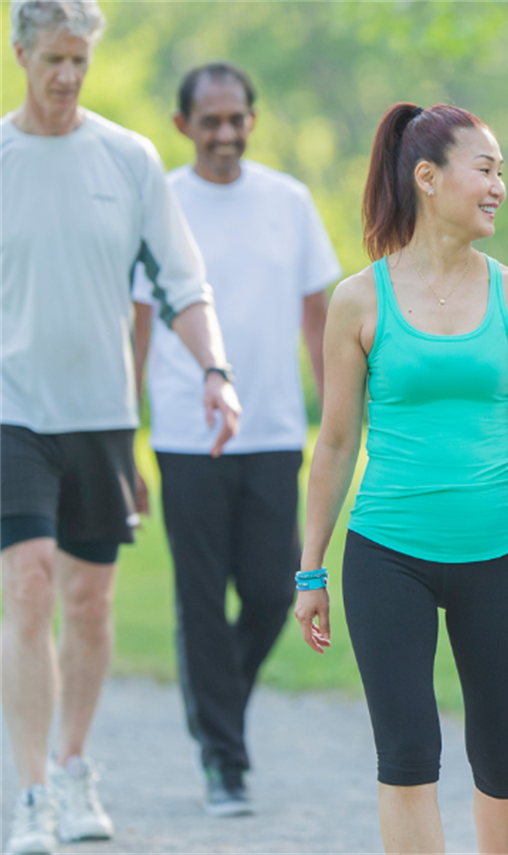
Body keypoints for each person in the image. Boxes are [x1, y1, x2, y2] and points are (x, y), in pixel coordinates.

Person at [293, 102, 508, 855]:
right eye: (484, 169)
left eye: (501, 173)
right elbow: (333, 443)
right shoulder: (359, 298)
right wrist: (309, 567)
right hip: (388, 551)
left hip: (500, 551)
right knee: (408, 754)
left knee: (504, 760)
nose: (498, 187)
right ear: (427, 177)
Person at [0, 2, 241, 854]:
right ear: (21, 52)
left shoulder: (129, 158)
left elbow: (183, 282)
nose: (67, 76)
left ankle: (71, 765)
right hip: (12, 411)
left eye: (80, 60)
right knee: (28, 584)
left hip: (101, 413)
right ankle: (29, 793)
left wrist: (214, 370)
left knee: (89, 603)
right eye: (54, 58)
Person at [131, 62, 341, 816]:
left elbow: (320, 316)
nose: (225, 133)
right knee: (199, 598)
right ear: (183, 125)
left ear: (253, 119)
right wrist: (129, 433)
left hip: (276, 428)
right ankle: (225, 757)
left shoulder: (289, 201)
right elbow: (140, 324)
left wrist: (336, 413)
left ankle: (214, 704)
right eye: (209, 120)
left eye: (237, 118)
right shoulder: (160, 204)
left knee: (269, 587)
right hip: (187, 436)